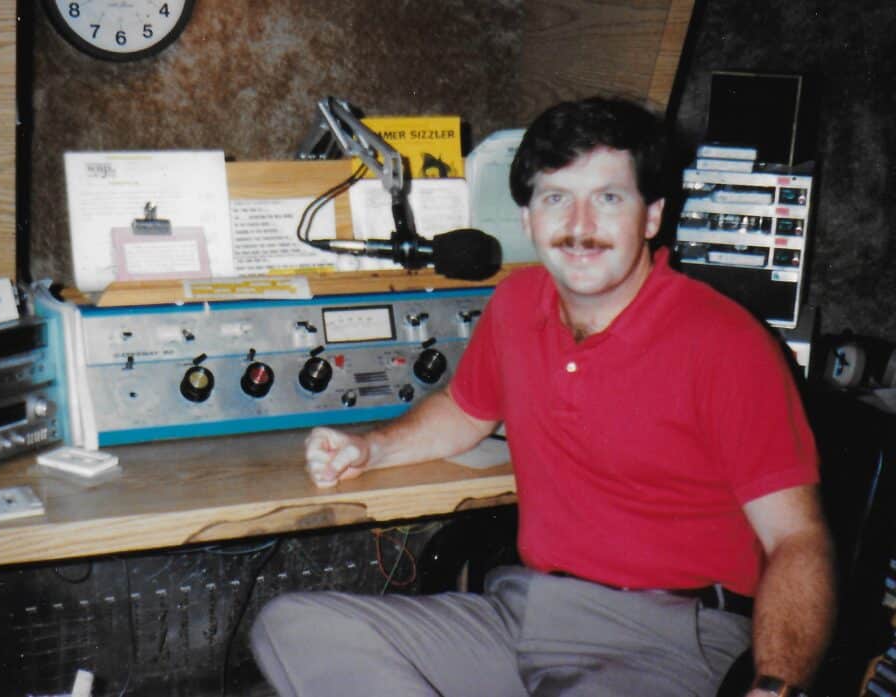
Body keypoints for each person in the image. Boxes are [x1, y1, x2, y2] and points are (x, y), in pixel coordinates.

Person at [250, 97, 835, 697]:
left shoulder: (726, 344)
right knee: (293, 628)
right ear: (528, 220)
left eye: (609, 198)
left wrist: (775, 686)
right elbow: (464, 412)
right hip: (529, 610)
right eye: (556, 198)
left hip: (669, 637)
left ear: (652, 216)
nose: (580, 225)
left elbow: (797, 539)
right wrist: (372, 449)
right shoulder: (516, 305)